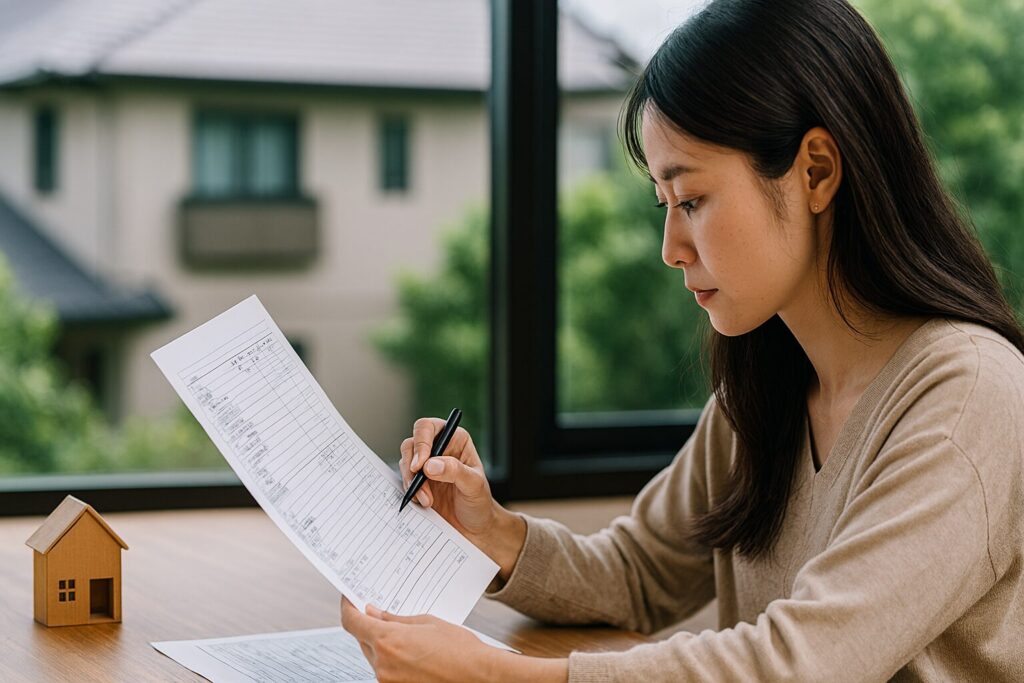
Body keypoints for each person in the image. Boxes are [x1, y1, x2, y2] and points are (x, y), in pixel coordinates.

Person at [341, 0, 1024, 680]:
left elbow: (804, 663)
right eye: (663, 207)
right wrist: (489, 530)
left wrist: (492, 674)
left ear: (816, 171)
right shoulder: (765, 392)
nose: (670, 248)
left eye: (691, 199)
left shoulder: (969, 400)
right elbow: (637, 573)